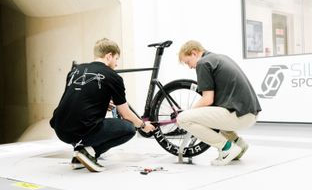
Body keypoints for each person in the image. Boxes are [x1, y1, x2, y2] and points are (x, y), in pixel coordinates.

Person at [50, 38, 155, 172]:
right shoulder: (113, 77)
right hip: (82, 129)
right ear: (109, 56)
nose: (117, 64)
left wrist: (101, 104)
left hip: (60, 129)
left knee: (83, 123)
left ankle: (78, 157)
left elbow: (75, 99)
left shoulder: (75, 70)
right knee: (129, 129)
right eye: (116, 59)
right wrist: (143, 125)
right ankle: (89, 152)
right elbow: (126, 114)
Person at [176, 40, 261, 166]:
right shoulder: (219, 58)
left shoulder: (203, 63)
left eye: (187, 62)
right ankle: (238, 144)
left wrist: (188, 111)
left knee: (183, 119)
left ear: (194, 53)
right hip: (250, 113)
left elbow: (207, 99)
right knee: (209, 114)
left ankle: (227, 148)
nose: (189, 66)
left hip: (238, 115)